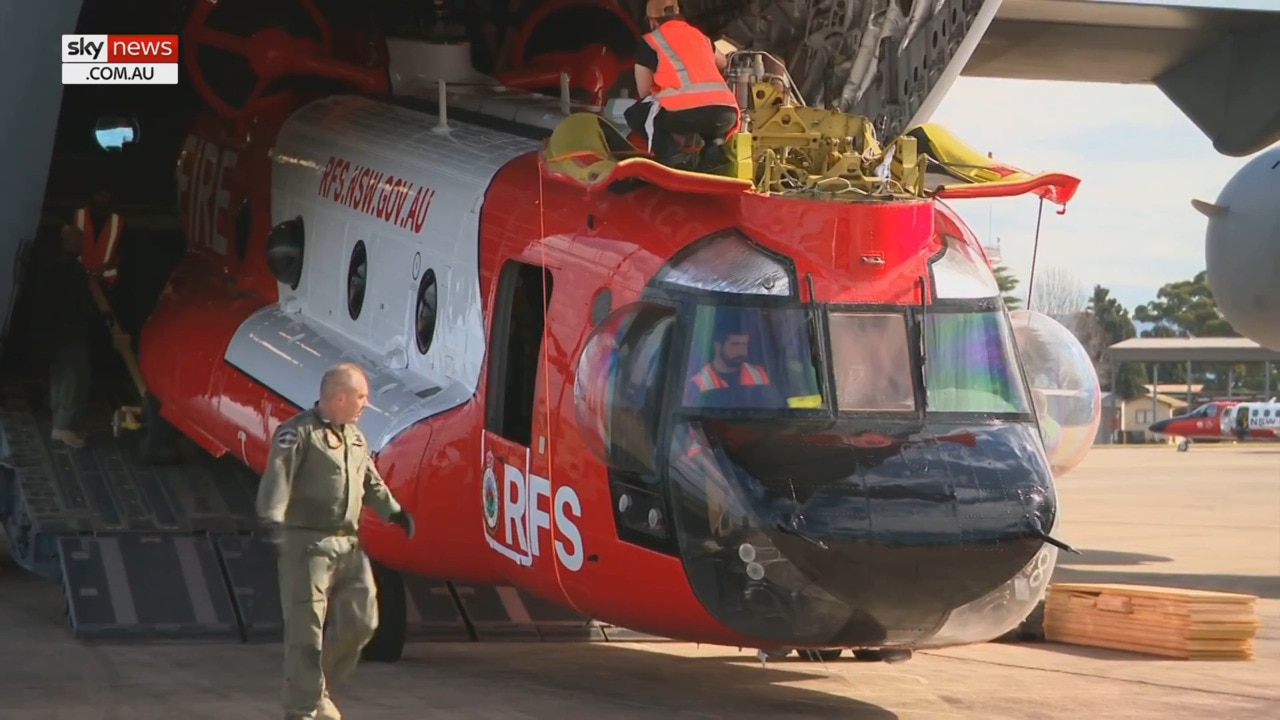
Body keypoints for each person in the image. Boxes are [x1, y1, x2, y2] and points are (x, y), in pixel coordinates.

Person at [256, 363, 416, 720]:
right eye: (361, 397)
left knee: (364, 621)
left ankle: (317, 689)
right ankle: (302, 710)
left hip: (348, 545)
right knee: (306, 632)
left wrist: (394, 512)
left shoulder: (355, 437)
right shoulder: (297, 434)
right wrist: (272, 515)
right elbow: (279, 476)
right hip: (307, 545)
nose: (365, 404)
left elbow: (371, 481)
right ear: (339, 397)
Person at [624, 0, 741, 172]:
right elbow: (723, 62)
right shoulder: (701, 36)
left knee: (637, 112)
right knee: (711, 121)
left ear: (652, 21)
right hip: (726, 113)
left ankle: (672, 157)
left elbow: (644, 91)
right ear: (679, 15)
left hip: (684, 113)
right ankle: (713, 154)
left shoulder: (650, 41)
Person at [47, 226, 97, 449]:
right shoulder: (69, 269)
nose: (82, 244)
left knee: (62, 376)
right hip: (70, 329)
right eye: (78, 240)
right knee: (73, 376)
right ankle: (64, 426)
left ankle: (65, 423)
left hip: (58, 329)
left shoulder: (55, 266)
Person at [685, 316, 773, 407]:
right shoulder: (699, 383)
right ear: (718, 346)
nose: (742, 351)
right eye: (735, 344)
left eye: (745, 344)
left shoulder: (758, 374)